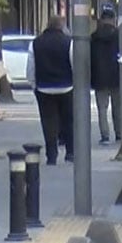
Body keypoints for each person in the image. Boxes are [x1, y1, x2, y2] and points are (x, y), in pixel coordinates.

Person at [27, 15, 74, 165]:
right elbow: (74, 64)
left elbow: (30, 67)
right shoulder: (69, 42)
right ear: (62, 26)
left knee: (48, 123)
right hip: (66, 87)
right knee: (69, 121)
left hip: (44, 88)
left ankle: (51, 155)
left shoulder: (36, 43)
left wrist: (34, 85)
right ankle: (71, 152)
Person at [89, 3, 121, 145]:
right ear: (113, 19)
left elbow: (89, 58)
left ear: (101, 19)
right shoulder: (119, 36)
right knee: (118, 108)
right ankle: (119, 134)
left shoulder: (93, 38)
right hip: (116, 78)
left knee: (102, 109)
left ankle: (105, 136)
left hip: (99, 79)